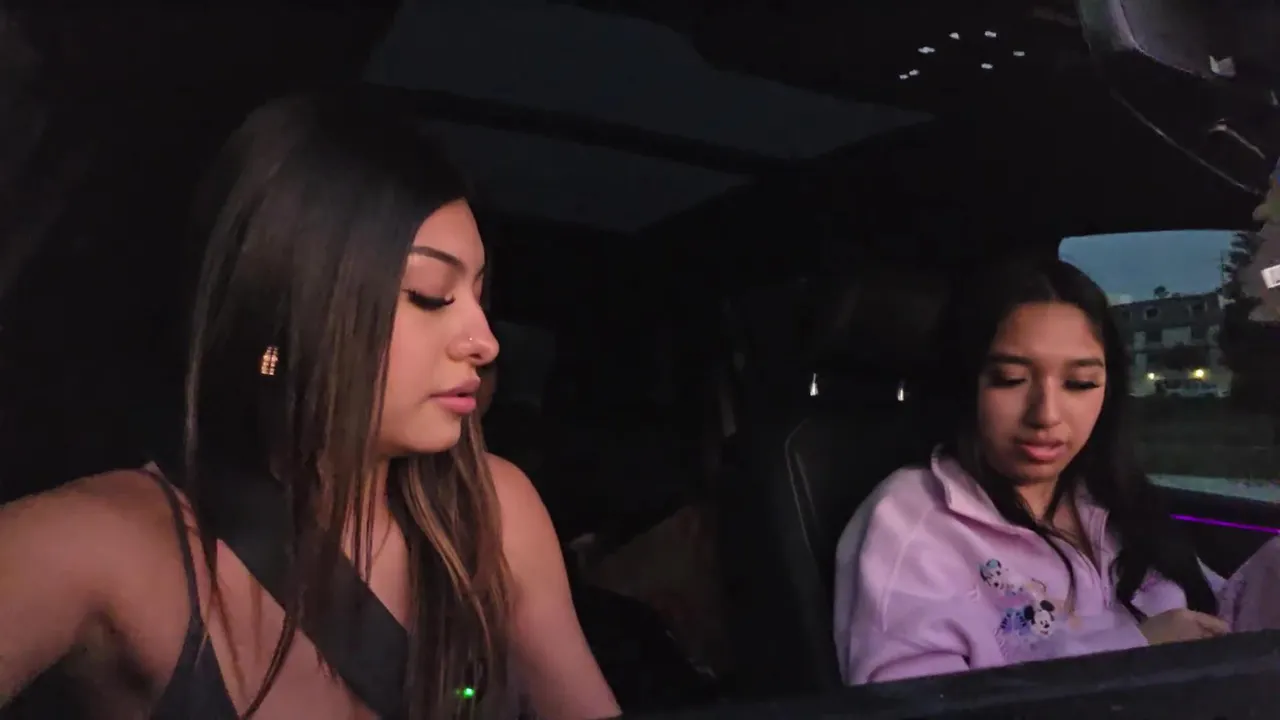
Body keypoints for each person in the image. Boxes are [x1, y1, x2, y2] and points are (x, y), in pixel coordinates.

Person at [0, 93, 619, 719]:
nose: (484, 342)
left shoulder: (493, 513)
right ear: (294, 306)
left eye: (479, 298)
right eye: (430, 295)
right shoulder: (102, 546)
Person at [832, 258, 1239, 686]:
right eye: (1010, 379)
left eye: (1080, 383)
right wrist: (1135, 652)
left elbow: (1220, 613)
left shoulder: (1110, 497)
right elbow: (915, 704)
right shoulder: (912, 523)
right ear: (965, 383)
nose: (1046, 415)